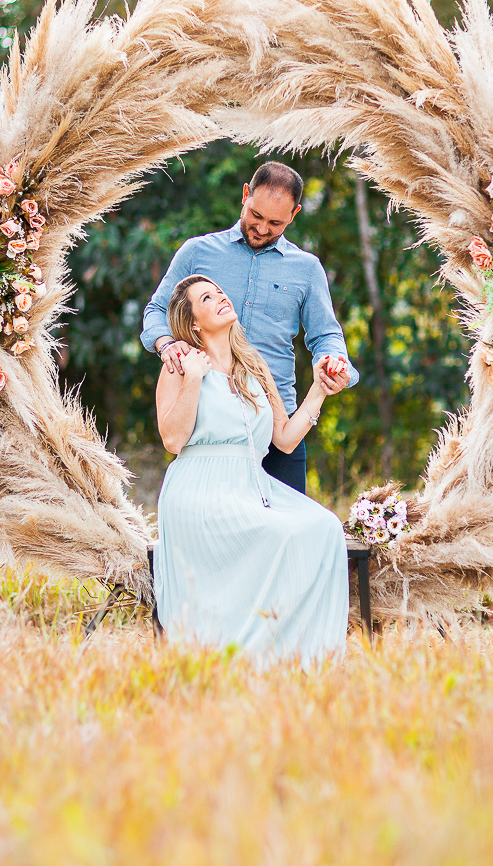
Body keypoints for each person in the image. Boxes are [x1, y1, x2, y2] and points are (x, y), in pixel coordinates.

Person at [153, 274, 349, 667]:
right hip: (199, 491)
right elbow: (173, 441)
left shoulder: (253, 365)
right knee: (279, 533)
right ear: (192, 322)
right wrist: (194, 378)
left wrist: (319, 392)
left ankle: (302, 657)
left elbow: (285, 439)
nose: (221, 298)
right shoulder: (179, 365)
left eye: (220, 292)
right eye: (207, 298)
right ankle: (240, 654)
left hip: (251, 485)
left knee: (325, 528)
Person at [141, 161, 358, 494]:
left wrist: (334, 364)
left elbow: (326, 335)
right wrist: (168, 345)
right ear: (245, 195)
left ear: (294, 214)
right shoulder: (198, 252)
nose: (261, 228)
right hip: (210, 427)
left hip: (275, 425)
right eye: (256, 215)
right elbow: (156, 310)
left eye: (275, 223)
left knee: (286, 537)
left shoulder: (306, 269)